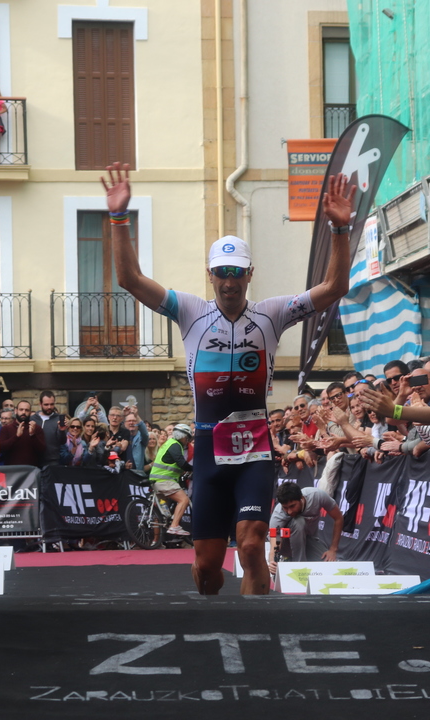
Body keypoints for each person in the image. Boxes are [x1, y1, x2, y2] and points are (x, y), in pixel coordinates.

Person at [103, 160, 355, 595]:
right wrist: (119, 217)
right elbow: (129, 279)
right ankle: (215, 613)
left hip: (254, 449)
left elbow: (334, 288)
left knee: (252, 544)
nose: (229, 281)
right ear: (211, 274)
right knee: (206, 569)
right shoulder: (190, 311)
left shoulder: (272, 313)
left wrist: (339, 230)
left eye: (237, 272)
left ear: (250, 274)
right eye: (222, 272)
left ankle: (255, 625)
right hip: (209, 453)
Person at [266, 482, 344, 577]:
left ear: (302, 498)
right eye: (285, 508)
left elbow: (338, 518)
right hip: (286, 545)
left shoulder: (317, 496)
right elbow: (275, 541)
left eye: (292, 506)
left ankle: (299, 566)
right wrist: (273, 562)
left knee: (329, 565)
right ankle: (298, 567)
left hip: (308, 541)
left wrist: (333, 550)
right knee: (298, 521)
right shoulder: (278, 515)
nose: (289, 511)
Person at [148, 424, 194, 536]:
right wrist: (194, 468)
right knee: (184, 500)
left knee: (165, 510)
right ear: (183, 436)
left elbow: (171, 463)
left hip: (157, 480)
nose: (187, 441)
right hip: (165, 481)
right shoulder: (175, 445)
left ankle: (168, 523)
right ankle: (174, 526)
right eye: (187, 438)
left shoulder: (168, 443)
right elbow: (181, 462)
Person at [0, 400, 45, 466]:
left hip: (32, 469)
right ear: (16, 411)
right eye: (21, 409)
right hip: (11, 469)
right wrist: (16, 436)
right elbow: (1, 448)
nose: (23, 412)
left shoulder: (36, 428)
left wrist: (33, 435)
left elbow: (42, 450)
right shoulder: (6, 429)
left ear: (30, 412)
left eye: (27, 410)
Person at [31, 390, 66, 468]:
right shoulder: (32, 419)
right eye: (46, 404)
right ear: (40, 404)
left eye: (52, 404)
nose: (49, 407)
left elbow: (62, 441)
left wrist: (62, 431)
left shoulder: (58, 419)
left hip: (52, 460)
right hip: (34, 460)